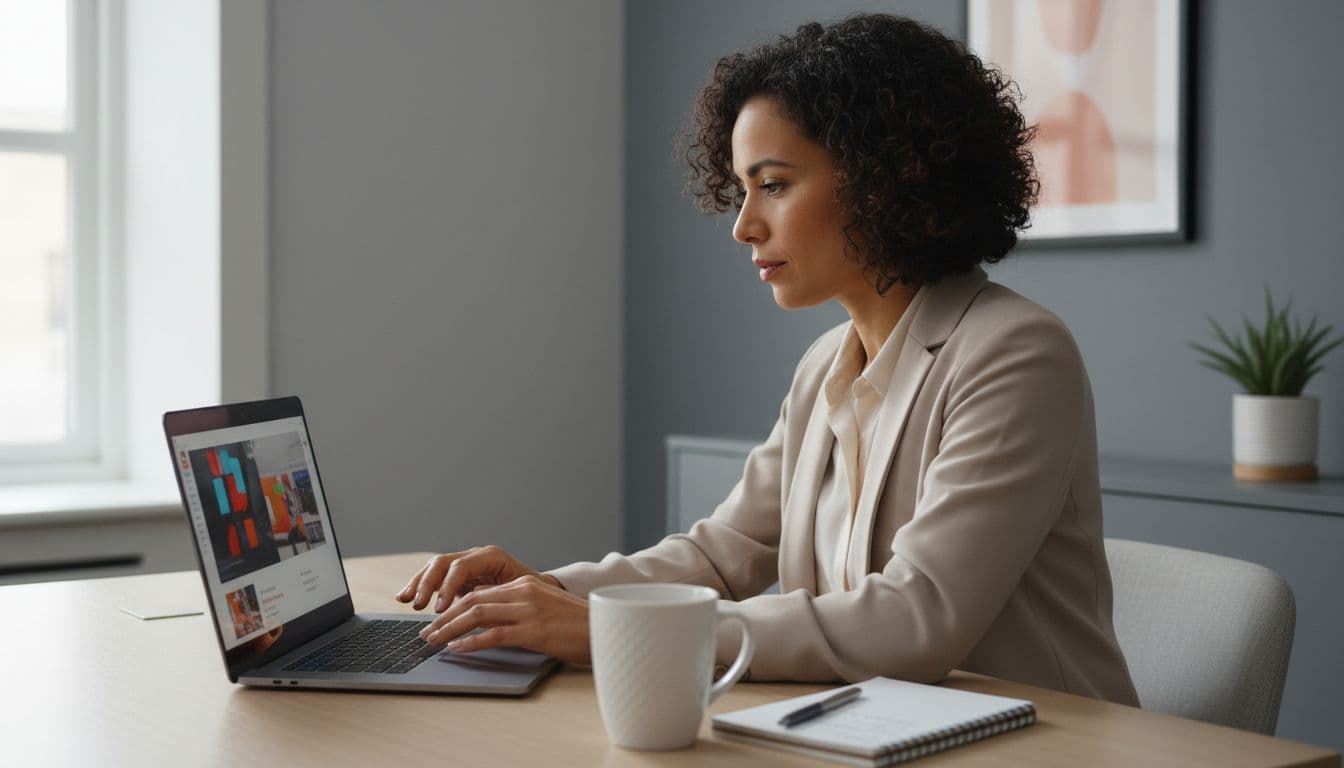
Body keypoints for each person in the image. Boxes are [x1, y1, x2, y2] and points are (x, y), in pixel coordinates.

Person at [396, 14, 1139, 705]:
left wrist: (603, 629)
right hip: (887, 726)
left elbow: (922, 617)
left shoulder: (1015, 354)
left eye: (774, 186)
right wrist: (551, 590)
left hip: (1038, 739)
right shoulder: (826, 364)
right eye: (743, 190)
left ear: (884, 181)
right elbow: (727, 555)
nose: (744, 227)